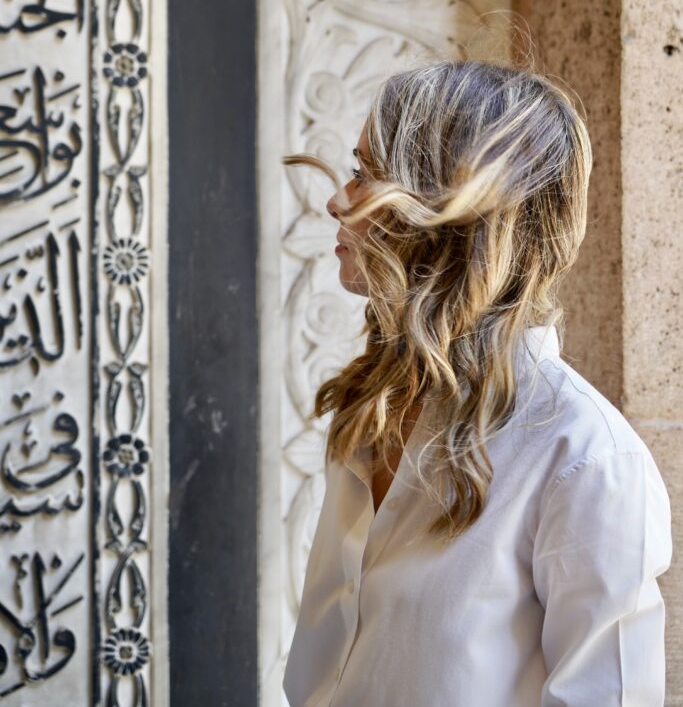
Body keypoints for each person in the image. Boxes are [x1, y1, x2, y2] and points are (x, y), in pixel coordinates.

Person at [281, 59, 672, 707]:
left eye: (364, 174)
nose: (336, 200)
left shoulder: (587, 461)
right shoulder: (371, 409)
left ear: (444, 211)